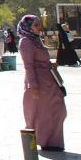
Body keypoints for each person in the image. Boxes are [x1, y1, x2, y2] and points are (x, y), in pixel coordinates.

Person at [18, 15, 68, 151]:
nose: (39, 27)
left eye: (39, 24)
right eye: (36, 25)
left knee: (58, 110)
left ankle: (53, 141)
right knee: (44, 112)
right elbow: (28, 65)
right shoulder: (26, 42)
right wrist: (33, 85)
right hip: (38, 83)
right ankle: (46, 140)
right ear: (27, 27)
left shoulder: (36, 41)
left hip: (49, 80)